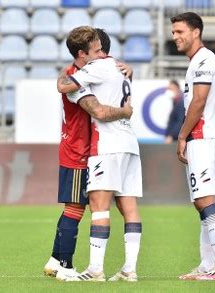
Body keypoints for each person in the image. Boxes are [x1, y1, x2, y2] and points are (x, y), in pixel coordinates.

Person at [43, 26, 133, 280]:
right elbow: (99, 111)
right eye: (97, 51)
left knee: (75, 206)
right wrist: (126, 112)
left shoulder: (83, 72)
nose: (101, 56)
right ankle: (65, 266)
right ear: (82, 54)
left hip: (83, 147)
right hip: (78, 149)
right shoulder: (75, 80)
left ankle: (54, 260)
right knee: (75, 208)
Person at [171, 12, 215, 281]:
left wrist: (182, 135)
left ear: (196, 32)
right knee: (202, 201)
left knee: (204, 200)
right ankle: (208, 264)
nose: (175, 37)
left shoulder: (204, 61)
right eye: (173, 32)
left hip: (203, 137)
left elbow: (199, 101)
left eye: (179, 32)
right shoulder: (198, 61)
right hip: (206, 137)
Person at [164, 79, 185, 144]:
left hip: (175, 139)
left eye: (171, 89)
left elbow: (180, 122)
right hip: (174, 138)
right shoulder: (176, 102)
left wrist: (171, 136)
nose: (169, 91)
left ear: (177, 88)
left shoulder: (181, 103)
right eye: (168, 89)